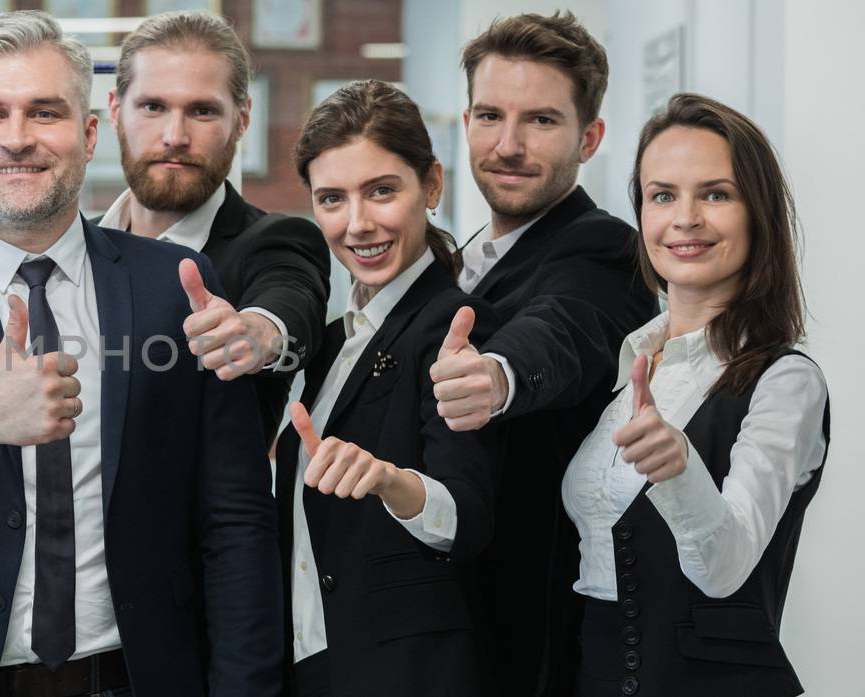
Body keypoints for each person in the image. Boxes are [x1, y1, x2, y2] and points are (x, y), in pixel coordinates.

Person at [0, 11, 282, 697]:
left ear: (89, 133)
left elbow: (236, 519)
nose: (17, 139)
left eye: (45, 112)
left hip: (134, 676)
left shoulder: (174, 285)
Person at [563, 93, 828, 697]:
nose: (685, 218)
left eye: (715, 194)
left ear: (756, 214)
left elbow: (725, 568)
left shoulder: (785, 381)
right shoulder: (628, 367)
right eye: (662, 196)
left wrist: (680, 469)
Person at [432, 12, 660, 692]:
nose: (507, 144)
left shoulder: (607, 250)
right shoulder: (460, 255)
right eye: (490, 115)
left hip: (524, 643)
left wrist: (497, 376)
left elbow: (564, 328)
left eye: (541, 121)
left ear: (589, 138)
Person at [279, 80, 503, 697]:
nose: (357, 224)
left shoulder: (456, 329)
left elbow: (467, 518)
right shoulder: (331, 341)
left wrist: (388, 480)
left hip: (407, 674)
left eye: (381, 191)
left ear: (431, 186)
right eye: (331, 199)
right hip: (318, 658)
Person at [97, 10, 330, 440]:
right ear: (115, 109)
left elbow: (291, 301)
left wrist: (258, 334)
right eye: (153, 106)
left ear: (241, 119)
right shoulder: (71, 246)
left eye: (202, 111)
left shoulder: (275, 241)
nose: (174, 136)